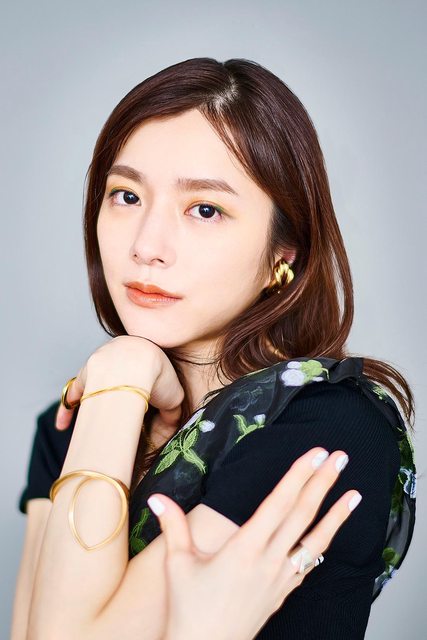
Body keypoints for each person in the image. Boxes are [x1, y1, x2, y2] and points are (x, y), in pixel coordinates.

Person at [12, 57, 416, 640]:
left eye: (205, 209)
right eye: (126, 196)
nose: (147, 245)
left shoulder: (324, 426)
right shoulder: (80, 421)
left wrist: (121, 369)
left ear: (283, 254)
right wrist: (124, 374)